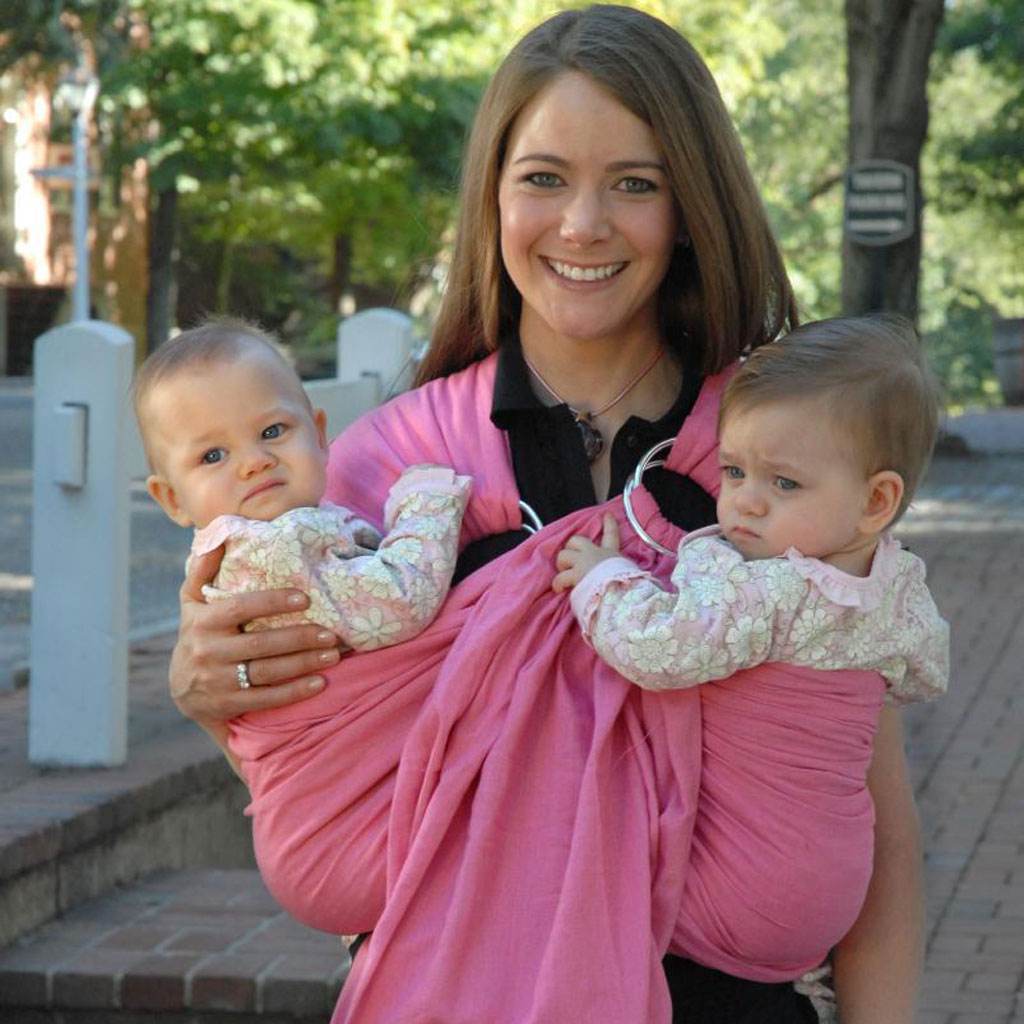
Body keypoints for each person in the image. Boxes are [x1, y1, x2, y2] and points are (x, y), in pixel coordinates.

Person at [166, 6, 928, 1022]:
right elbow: (321, 770)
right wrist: (211, 695)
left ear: (691, 207)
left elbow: (871, 809)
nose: (582, 225)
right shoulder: (390, 466)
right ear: (492, 196)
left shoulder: (779, 458)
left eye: (636, 183)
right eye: (543, 178)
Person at [555, 315, 949, 706]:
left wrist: (603, 578)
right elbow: (927, 677)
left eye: (784, 483)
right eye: (734, 471)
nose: (745, 501)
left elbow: (653, 649)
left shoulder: (764, 591)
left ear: (876, 501)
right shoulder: (901, 586)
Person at [134, 318, 470, 752]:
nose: (254, 461)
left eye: (272, 432)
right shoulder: (269, 549)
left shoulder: (281, 530)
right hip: (337, 759)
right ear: (171, 499)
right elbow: (399, 604)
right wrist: (427, 505)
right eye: (213, 455)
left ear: (319, 435)